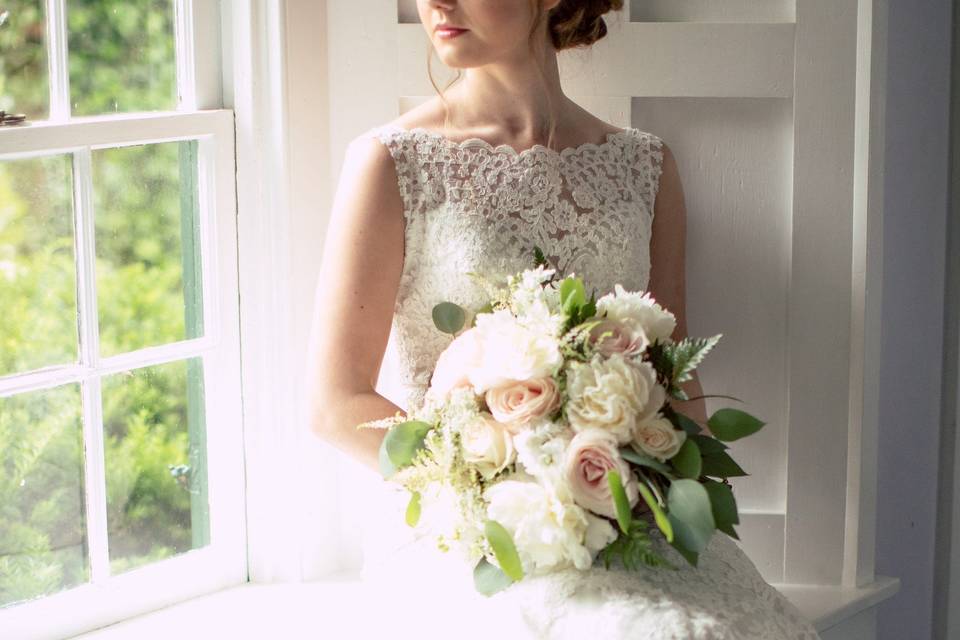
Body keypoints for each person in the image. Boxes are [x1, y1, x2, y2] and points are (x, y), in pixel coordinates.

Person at [306, 1, 822, 638]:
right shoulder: (391, 162)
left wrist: (646, 485)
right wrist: (493, 486)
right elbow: (334, 405)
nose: (435, 1)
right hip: (467, 533)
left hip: (622, 512)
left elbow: (674, 377)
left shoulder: (644, 167)